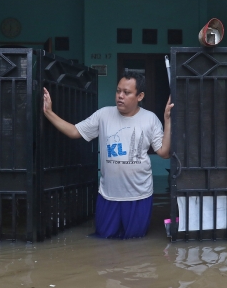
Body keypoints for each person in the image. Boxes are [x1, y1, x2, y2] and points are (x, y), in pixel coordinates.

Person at [42, 71, 173, 239]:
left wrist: (167, 120)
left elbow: (164, 153)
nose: (120, 96)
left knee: (135, 241)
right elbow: (75, 131)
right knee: (104, 240)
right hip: (108, 195)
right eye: (118, 91)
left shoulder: (150, 119)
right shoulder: (103, 115)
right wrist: (49, 113)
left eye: (126, 92)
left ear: (140, 96)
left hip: (139, 196)